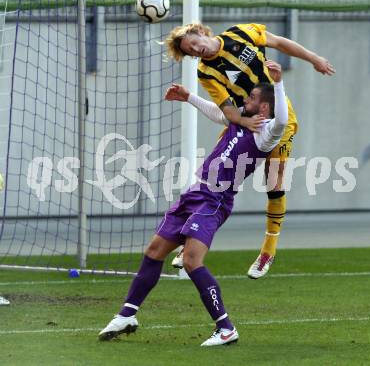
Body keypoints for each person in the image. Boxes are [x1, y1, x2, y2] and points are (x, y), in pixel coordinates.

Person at [99, 60, 288, 346]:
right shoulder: (240, 119)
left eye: (252, 98)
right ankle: (127, 314)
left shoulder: (266, 133)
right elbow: (216, 112)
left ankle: (226, 328)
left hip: (215, 200)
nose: (245, 100)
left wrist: (278, 82)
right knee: (154, 251)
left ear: (263, 107)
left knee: (190, 260)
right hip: (194, 193)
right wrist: (189, 97)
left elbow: (283, 121)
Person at [166, 22, 335, 278]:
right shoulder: (206, 72)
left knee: (275, 181)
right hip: (246, 120)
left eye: (192, 44)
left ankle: (268, 250)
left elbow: (279, 42)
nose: (195, 51)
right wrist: (243, 121)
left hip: (278, 116)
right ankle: (192, 236)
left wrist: (313, 58)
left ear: (200, 32)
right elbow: (226, 109)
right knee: (216, 178)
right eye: (190, 52)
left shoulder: (240, 33)